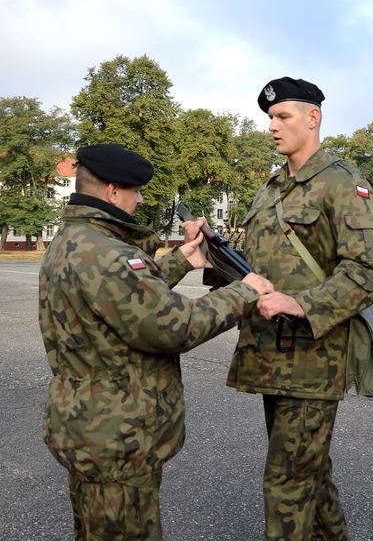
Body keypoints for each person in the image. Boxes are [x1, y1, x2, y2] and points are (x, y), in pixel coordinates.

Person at [39, 144, 273, 541]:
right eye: (136, 190)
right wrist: (245, 292)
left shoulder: (78, 240)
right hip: (117, 435)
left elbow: (125, 299)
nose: (141, 198)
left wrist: (184, 258)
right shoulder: (108, 254)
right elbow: (174, 326)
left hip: (90, 425)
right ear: (113, 192)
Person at [222, 77, 373, 541]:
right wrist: (215, 252)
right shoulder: (272, 189)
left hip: (312, 361)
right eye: (270, 119)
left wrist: (302, 303)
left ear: (312, 118)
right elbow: (257, 266)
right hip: (269, 355)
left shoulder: (342, 183)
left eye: (283, 117)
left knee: (287, 484)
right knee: (308, 476)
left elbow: (371, 270)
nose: (272, 127)